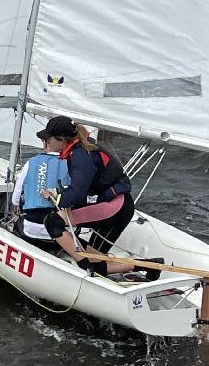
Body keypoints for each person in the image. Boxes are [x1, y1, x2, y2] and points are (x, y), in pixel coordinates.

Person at [35, 116, 136, 272]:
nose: (46, 143)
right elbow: (81, 188)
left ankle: (85, 267)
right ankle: (150, 266)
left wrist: (57, 198)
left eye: (48, 139)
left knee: (52, 221)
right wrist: (59, 195)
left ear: (62, 140)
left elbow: (77, 194)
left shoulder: (81, 155)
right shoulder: (81, 148)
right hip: (119, 204)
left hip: (115, 208)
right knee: (98, 263)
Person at [11, 135, 71, 246]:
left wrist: (16, 204)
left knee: (18, 222)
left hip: (32, 229)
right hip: (63, 234)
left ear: (45, 143)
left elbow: (16, 197)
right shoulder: (72, 163)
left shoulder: (31, 162)